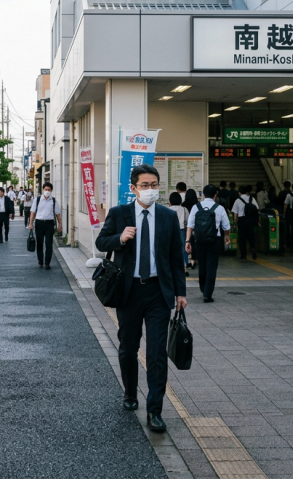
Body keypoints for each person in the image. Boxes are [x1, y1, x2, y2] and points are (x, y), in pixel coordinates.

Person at [95, 164, 186, 433]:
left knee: (157, 352)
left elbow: (175, 258)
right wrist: (119, 238)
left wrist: (180, 292)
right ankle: (130, 393)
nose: (150, 190)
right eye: (145, 185)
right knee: (128, 347)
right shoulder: (119, 213)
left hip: (158, 292)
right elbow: (101, 242)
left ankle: (155, 410)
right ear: (133, 188)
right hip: (129, 291)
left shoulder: (168, 217)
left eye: (154, 185)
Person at [187, 184, 231, 303]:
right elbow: (226, 226)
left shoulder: (196, 207)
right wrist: (227, 236)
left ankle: (203, 288)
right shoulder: (219, 208)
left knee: (202, 265)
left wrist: (187, 241)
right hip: (214, 241)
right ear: (215, 195)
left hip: (199, 240)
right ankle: (208, 293)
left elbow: (190, 226)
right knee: (211, 266)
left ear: (204, 195)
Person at [29, 182, 61, 269]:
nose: (47, 191)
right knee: (39, 243)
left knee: (48, 243)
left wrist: (60, 224)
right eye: (45, 189)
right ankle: (40, 261)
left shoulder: (53, 201)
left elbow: (57, 214)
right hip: (39, 223)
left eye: (49, 190)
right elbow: (33, 212)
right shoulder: (37, 199)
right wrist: (30, 223)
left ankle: (47, 263)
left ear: (51, 191)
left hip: (49, 224)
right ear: (42, 190)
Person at [231, 185, 259, 261]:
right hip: (251, 220)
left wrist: (235, 222)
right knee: (251, 236)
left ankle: (243, 255)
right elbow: (257, 209)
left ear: (239, 192)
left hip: (242, 220)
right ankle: (253, 248)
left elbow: (235, 213)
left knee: (242, 238)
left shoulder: (238, 200)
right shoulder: (252, 198)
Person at [168, 192, 190, 276]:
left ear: (169, 201)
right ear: (180, 201)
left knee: (171, 249)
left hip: (170, 230)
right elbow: (188, 222)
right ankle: (185, 268)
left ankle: (172, 267)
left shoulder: (167, 209)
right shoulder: (184, 209)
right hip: (182, 230)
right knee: (183, 249)